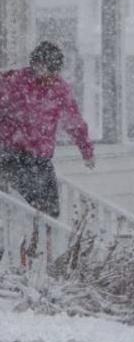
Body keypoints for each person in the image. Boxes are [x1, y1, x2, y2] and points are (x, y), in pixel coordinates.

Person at [0, 41, 95, 217]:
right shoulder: (14, 83)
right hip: (11, 155)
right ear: (35, 64)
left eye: (54, 71)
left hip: (40, 158)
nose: (50, 76)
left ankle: (44, 242)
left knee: (51, 212)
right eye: (46, 69)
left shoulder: (59, 89)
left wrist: (86, 149)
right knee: (25, 207)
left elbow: (73, 121)